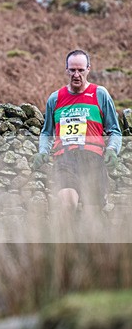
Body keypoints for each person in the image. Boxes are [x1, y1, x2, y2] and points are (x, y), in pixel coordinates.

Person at [32, 49, 122, 221]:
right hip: (64, 159)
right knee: (67, 205)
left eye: (80, 70)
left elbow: (114, 130)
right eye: (72, 70)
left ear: (88, 69)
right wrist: (43, 152)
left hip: (93, 159)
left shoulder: (100, 94)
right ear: (66, 70)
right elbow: (46, 132)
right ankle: (66, 246)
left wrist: (112, 150)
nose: (76, 74)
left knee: (92, 216)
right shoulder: (55, 98)